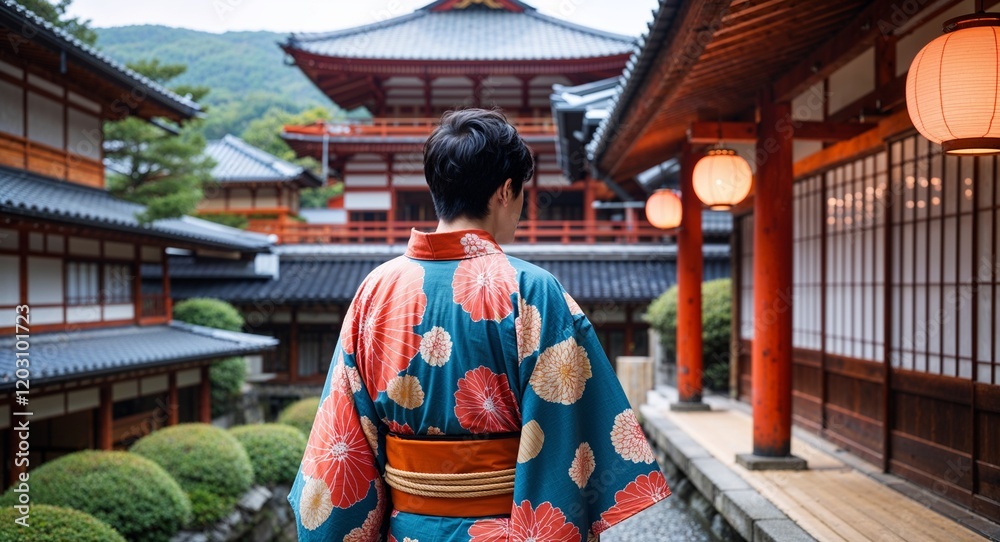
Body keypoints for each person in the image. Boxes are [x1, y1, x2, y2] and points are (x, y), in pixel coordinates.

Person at [287, 108, 669, 541]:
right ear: (505, 191)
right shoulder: (533, 291)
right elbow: (568, 435)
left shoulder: (374, 290)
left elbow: (343, 435)